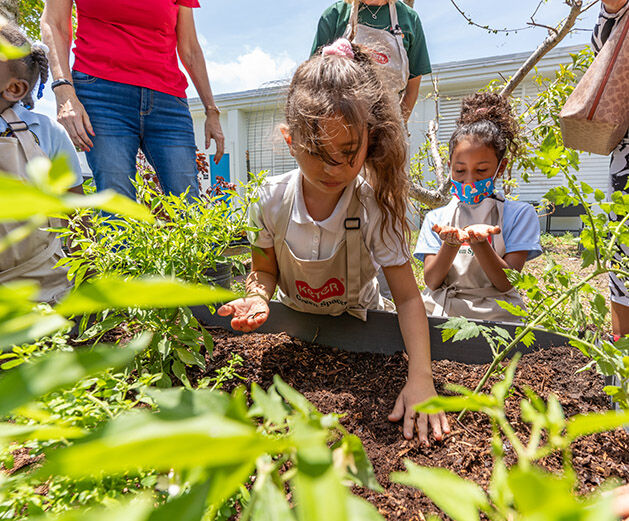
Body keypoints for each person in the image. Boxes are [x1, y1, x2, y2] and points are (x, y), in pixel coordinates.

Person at [218, 39, 449, 444]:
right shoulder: (270, 200)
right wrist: (257, 297)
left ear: (369, 138)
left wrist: (421, 379)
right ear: (290, 141)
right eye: (317, 151)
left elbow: (409, 299)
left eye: (348, 151)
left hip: (364, 332)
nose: (334, 168)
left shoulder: (373, 204)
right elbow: (264, 269)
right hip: (295, 331)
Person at [40, 0, 225, 202]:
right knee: (117, 203)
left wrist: (211, 111)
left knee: (188, 202)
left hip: (168, 101)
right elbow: (54, 23)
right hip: (101, 96)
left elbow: (190, 48)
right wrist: (64, 91)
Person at [414, 92, 542, 322]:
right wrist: (450, 244)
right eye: (460, 171)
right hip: (442, 310)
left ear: (500, 168)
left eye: (482, 171)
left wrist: (481, 244)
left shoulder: (519, 215)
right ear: (450, 165)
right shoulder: (436, 218)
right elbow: (432, 281)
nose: (470, 182)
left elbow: (507, 283)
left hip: (498, 313)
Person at [0, 20, 83, 303]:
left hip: (41, 283)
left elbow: (75, 208)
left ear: (14, 89)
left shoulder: (45, 131)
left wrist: (89, 269)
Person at [311, 0, 431, 123]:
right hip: (342, 122)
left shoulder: (409, 18)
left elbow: (412, 88)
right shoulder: (335, 14)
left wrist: (396, 127)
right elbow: (313, 80)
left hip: (389, 122)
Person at [594, 0, 629, 339]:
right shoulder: (615, 16)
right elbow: (606, 45)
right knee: (625, 257)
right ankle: (624, 371)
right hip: (627, 165)